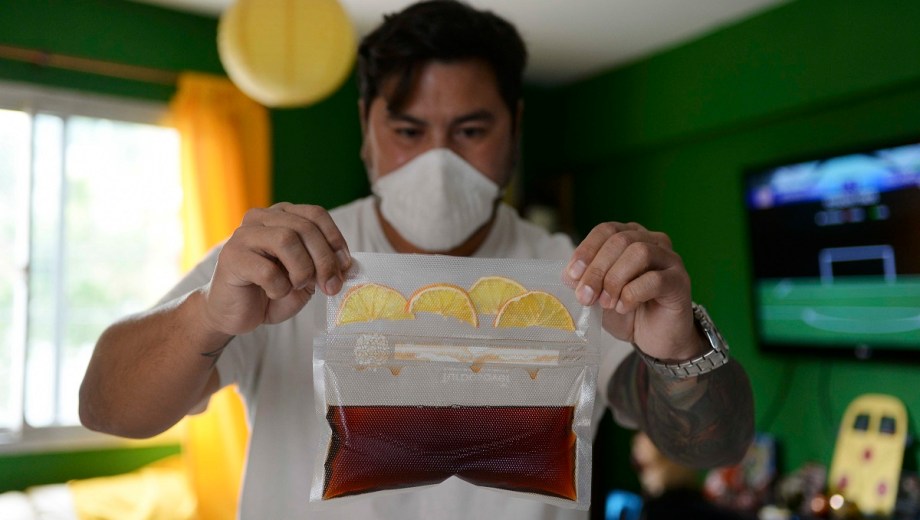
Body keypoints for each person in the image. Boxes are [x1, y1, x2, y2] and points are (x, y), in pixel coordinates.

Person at [79, 1, 754, 518]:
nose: (437, 162)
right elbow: (106, 408)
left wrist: (677, 349)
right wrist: (207, 315)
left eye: (470, 130)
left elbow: (713, 446)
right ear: (366, 129)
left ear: (515, 130)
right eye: (408, 130)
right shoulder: (278, 265)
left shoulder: (573, 278)